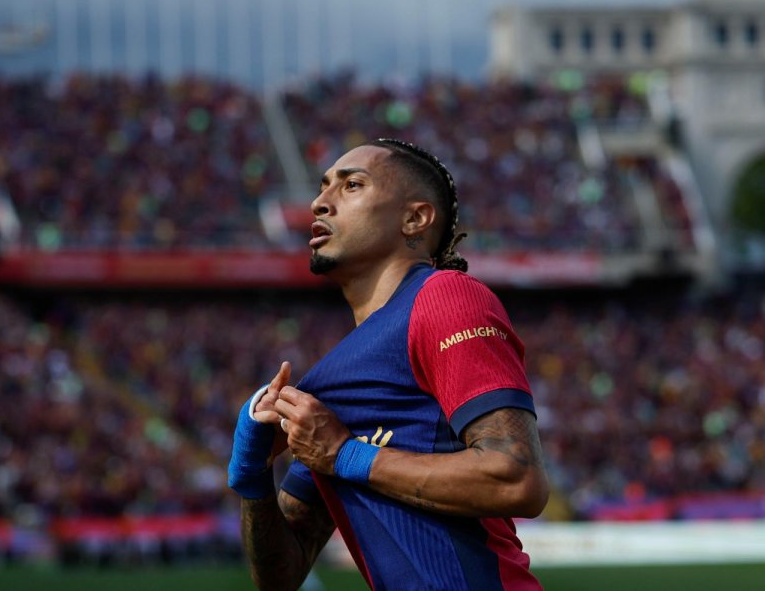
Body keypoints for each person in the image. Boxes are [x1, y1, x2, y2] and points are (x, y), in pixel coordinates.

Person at [228, 138, 549, 590]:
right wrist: (253, 472)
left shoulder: (445, 298)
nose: (319, 203)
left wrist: (345, 454)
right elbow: (282, 574)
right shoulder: (327, 382)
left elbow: (518, 479)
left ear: (414, 219)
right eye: (322, 189)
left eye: (351, 185)